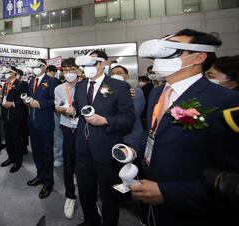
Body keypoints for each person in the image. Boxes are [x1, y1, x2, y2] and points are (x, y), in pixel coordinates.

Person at [128, 29, 239, 226]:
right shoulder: (156, 93)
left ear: (199, 57)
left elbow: (231, 181)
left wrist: (168, 193)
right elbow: (152, 132)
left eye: (172, 50)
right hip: (151, 187)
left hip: (194, 210)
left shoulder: (226, 102)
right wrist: (133, 150)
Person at [65, 50, 135, 226]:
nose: (88, 68)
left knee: (108, 194)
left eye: (93, 63)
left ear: (103, 63)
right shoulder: (80, 86)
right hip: (82, 147)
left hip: (106, 147)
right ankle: (90, 220)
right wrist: (72, 109)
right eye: (85, 64)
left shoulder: (119, 86)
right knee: (85, 190)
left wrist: (105, 120)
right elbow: (78, 106)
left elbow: (128, 119)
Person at [26, 59, 57, 199]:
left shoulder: (51, 81)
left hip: (45, 124)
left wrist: (40, 104)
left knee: (47, 154)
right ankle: (39, 176)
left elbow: (55, 101)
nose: (35, 69)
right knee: (36, 152)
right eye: (33, 67)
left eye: (38, 66)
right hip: (32, 124)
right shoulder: (31, 81)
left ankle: (48, 183)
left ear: (44, 67)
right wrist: (26, 100)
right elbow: (29, 98)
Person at [54, 58, 79, 219]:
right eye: (65, 70)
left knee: (87, 163)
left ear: (78, 69)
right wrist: (60, 108)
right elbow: (58, 105)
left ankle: (90, 199)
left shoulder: (86, 86)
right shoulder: (59, 88)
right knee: (68, 161)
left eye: (71, 69)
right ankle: (70, 196)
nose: (68, 73)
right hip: (68, 127)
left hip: (86, 127)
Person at [0, 66, 28, 173]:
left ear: (14, 73)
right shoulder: (6, 84)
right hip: (5, 115)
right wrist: (0, 100)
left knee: (16, 139)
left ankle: (18, 161)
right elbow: (4, 97)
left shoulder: (22, 84)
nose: (6, 73)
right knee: (8, 138)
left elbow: (25, 100)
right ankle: (10, 157)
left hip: (16, 115)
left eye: (8, 72)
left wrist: (13, 104)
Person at [110, 64, 145, 145]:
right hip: (112, 137)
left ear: (126, 76)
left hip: (129, 138)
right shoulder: (108, 92)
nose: (115, 75)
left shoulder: (135, 92)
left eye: (119, 73)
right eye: (112, 73)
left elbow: (132, 116)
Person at [47, 64, 64, 167]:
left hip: (56, 111)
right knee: (56, 135)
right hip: (53, 111)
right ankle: (58, 157)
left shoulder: (53, 81)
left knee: (57, 135)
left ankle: (59, 158)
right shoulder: (55, 81)